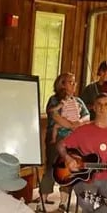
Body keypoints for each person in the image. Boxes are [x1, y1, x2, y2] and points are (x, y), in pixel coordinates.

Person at [57, 93, 107, 213]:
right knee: (86, 198)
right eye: (99, 104)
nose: (102, 107)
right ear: (93, 107)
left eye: (106, 104)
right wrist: (68, 158)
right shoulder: (83, 130)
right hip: (84, 178)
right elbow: (60, 145)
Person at [39, 73, 90, 205]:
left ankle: (63, 201)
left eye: (74, 82)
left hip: (74, 139)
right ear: (62, 84)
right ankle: (42, 200)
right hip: (57, 137)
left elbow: (87, 116)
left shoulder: (78, 101)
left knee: (69, 167)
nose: (74, 84)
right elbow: (55, 116)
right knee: (52, 165)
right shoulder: (55, 100)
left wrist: (79, 122)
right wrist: (72, 125)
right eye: (70, 82)